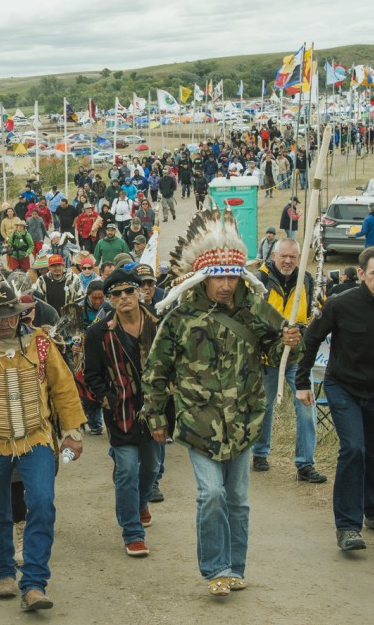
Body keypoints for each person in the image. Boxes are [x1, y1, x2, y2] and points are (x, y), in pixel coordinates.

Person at [142, 211, 302, 597]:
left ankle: (235, 567)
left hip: (245, 421)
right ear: (204, 278)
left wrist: (290, 344)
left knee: (240, 501)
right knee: (211, 494)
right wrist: (154, 417)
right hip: (198, 425)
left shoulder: (256, 309)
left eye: (232, 277)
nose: (227, 285)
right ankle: (215, 568)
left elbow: (276, 351)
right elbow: (157, 370)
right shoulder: (179, 318)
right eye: (219, 277)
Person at [0, 284, 85, 611]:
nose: (4, 324)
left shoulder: (40, 342)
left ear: (19, 312)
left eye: (9, 316)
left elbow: (63, 387)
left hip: (36, 437)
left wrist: (71, 431)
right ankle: (2, 572)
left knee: (42, 501)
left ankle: (35, 583)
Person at [297, 247, 374, 551]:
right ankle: (347, 527)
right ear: (361, 274)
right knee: (354, 448)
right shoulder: (339, 305)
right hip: (342, 386)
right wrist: (302, 381)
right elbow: (311, 339)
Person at [83, 269, 163, 556]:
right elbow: (90, 374)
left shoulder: (159, 323)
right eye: (116, 294)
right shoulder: (98, 332)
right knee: (127, 470)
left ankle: (140, 503)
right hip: (122, 414)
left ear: (139, 291)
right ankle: (132, 532)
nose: (124, 297)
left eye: (129, 290)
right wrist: (108, 399)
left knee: (152, 468)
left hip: (156, 413)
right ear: (109, 299)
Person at [251, 239, 326, 483]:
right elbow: (252, 317)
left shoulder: (306, 279)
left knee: (306, 407)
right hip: (267, 355)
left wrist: (301, 334)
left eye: (293, 257)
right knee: (265, 405)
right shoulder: (260, 280)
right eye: (283, 256)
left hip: (297, 356)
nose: (288, 261)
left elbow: (315, 315)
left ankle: (305, 464)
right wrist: (276, 335)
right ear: (274, 255)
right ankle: (260, 452)